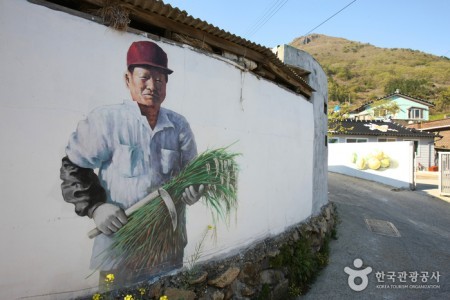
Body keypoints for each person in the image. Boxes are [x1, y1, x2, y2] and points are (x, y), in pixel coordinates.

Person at [60, 41, 204, 285]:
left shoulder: (179, 126)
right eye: (145, 77)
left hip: (167, 248)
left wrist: (194, 191)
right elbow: (73, 168)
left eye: (160, 79)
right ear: (128, 79)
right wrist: (96, 208)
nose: (152, 85)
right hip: (118, 251)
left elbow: (191, 175)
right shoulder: (106, 120)